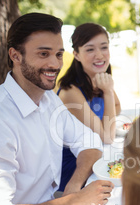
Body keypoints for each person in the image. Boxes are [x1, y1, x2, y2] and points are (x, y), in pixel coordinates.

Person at [0, 13, 114, 205]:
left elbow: (90, 141)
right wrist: (72, 201)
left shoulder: (48, 99)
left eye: (58, 54)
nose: (55, 64)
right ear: (15, 55)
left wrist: (73, 188)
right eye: (43, 54)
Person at [57, 23, 121, 192]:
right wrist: (108, 91)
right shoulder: (70, 91)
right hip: (76, 169)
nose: (99, 55)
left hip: (96, 155)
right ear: (76, 55)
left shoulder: (97, 78)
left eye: (104, 47)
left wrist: (101, 121)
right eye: (90, 49)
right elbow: (107, 137)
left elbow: (117, 106)